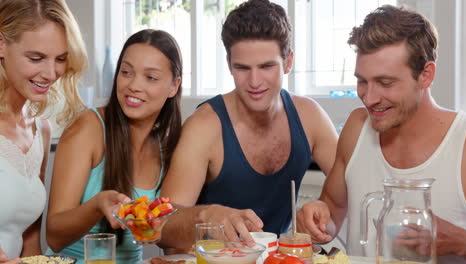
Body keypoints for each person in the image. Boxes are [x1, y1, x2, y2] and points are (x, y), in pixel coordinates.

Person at [159, 0, 337, 250]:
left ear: (288, 62)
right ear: (229, 65)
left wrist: (324, 210)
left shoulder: (310, 117)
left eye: (266, 66)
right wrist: (207, 216)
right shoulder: (204, 127)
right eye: (242, 68)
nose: (254, 82)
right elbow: (161, 228)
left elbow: (352, 185)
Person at [296, 5, 466, 263]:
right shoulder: (357, 127)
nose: (369, 98)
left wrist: (461, 242)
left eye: (385, 83)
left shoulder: (463, 143)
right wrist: (318, 218)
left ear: (425, 75)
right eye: (362, 81)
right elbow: (333, 206)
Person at [45, 29, 183, 263]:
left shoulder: (167, 144)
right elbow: (54, 237)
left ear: (173, 86)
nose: (133, 86)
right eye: (126, 72)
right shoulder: (89, 128)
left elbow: (166, 232)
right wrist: (97, 206)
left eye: (150, 77)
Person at [0, 0, 87, 263]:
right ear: (1, 44)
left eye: (61, 59)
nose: (51, 73)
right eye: (36, 58)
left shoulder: (41, 130)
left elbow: (29, 235)